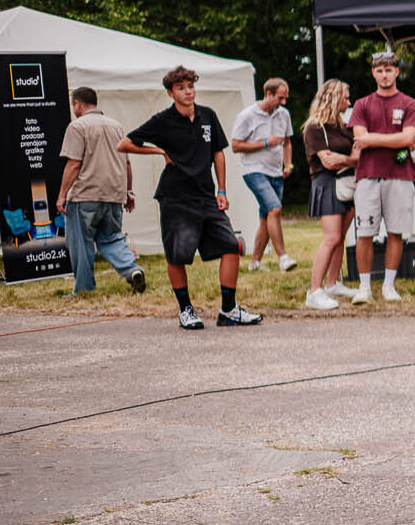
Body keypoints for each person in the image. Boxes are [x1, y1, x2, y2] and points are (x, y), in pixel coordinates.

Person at [119, 67, 262, 329]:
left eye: (191, 86)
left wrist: (222, 190)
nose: (188, 92)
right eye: (181, 88)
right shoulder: (163, 120)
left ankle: (229, 310)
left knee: (231, 247)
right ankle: (186, 310)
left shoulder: (208, 115)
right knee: (177, 255)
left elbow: (218, 152)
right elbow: (124, 143)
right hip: (175, 197)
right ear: (170, 93)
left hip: (206, 195)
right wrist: (159, 152)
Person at [55, 87, 145, 296]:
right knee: (112, 239)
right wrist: (129, 193)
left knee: (80, 243)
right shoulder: (116, 126)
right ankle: (132, 270)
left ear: (77, 104)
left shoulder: (77, 126)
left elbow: (73, 164)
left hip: (85, 195)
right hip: (114, 195)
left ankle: (84, 289)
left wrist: (62, 195)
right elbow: (126, 163)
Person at [349, 50, 415, 303]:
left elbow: (408, 138)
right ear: (373, 73)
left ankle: (389, 286)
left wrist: (372, 139)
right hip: (368, 175)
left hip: (400, 175)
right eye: (379, 71)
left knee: (396, 232)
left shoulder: (410, 104)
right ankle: (364, 287)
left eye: (389, 70)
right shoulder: (362, 104)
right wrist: (396, 139)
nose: (384, 75)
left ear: (397, 72)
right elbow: (359, 138)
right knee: (364, 232)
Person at [301, 80, 363, 310]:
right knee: (332, 237)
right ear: (334, 98)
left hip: (346, 184)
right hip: (326, 183)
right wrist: (350, 160)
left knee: (340, 237)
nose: (349, 101)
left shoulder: (343, 127)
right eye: (346, 97)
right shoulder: (314, 128)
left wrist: (344, 160)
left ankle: (332, 283)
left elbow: (356, 158)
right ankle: (314, 291)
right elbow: (328, 162)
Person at [231, 77, 296, 272]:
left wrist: (288, 164)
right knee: (274, 209)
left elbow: (287, 143)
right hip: (254, 170)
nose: (284, 102)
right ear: (268, 94)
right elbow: (235, 145)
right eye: (280, 98)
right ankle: (283, 257)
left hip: (276, 172)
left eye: (285, 98)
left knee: (266, 217)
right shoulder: (247, 116)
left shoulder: (283, 114)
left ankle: (255, 263)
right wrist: (265, 143)